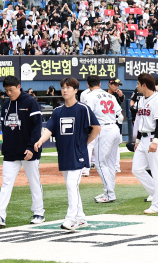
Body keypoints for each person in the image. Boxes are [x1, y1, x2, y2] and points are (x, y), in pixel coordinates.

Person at [34, 77, 101, 230]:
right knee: (72, 187)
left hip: (78, 154)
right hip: (64, 154)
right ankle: (81, 217)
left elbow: (96, 128)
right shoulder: (58, 111)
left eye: (69, 87)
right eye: (63, 87)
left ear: (76, 90)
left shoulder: (83, 109)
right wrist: (40, 141)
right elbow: (49, 129)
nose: (65, 90)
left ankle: (70, 219)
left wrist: (84, 143)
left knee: (71, 185)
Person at [0, 76, 45, 227]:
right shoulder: (7, 103)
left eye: (11, 90)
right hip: (11, 152)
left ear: (19, 86)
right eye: (7, 90)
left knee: (34, 182)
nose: (9, 93)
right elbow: (5, 128)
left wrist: (30, 147)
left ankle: (39, 213)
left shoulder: (30, 102)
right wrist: (5, 147)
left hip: (29, 151)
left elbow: (36, 128)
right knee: (6, 182)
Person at [129, 73, 158, 214]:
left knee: (156, 173)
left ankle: (157, 205)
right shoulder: (141, 100)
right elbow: (140, 121)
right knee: (137, 169)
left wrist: (156, 141)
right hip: (143, 138)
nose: (137, 86)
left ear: (144, 84)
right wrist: (138, 140)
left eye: (138, 83)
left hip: (154, 138)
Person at [81, 75, 123, 203]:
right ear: (99, 84)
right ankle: (109, 191)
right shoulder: (110, 96)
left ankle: (109, 194)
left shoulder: (90, 96)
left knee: (100, 163)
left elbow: (87, 115)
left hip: (103, 129)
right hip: (115, 128)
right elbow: (120, 116)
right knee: (110, 163)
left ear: (88, 85)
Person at [107, 79, 125, 173]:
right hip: (106, 121)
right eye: (115, 85)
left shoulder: (117, 95)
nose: (117, 87)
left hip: (116, 120)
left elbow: (121, 102)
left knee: (116, 143)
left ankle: (116, 166)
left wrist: (121, 96)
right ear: (110, 84)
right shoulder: (104, 95)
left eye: (118, 85)